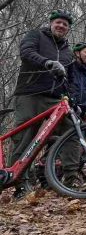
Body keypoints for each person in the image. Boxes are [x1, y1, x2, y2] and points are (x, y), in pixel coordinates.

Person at [11, 10, 80, 199]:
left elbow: (71, 78)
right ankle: (20, 183)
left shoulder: (67, 51)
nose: (61, 26)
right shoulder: (36, 36)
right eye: (58, 22)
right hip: (30, 93)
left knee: (72, 131)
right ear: (51, 23)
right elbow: (26, 53)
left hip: (55, 98)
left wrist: (72, 97)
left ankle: (71, 179)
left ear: (68, 29)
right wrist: (47, 62)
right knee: (26, 137)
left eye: (65, 25)